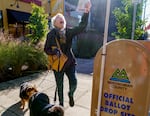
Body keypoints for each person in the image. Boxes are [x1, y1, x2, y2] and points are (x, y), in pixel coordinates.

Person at [44, 1, 91, 107]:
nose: (61, 19)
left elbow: (82, 26)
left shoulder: (68, 32)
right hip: (58, 64)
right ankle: (60, 105)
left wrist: (87, 11)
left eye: (62, 19)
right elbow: (46, 49)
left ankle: (70, 94)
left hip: (69, 62)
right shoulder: (50, 35)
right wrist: (53, 52)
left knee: (74, 82)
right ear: (54, 23)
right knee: (59, 86)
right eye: (58, 18)